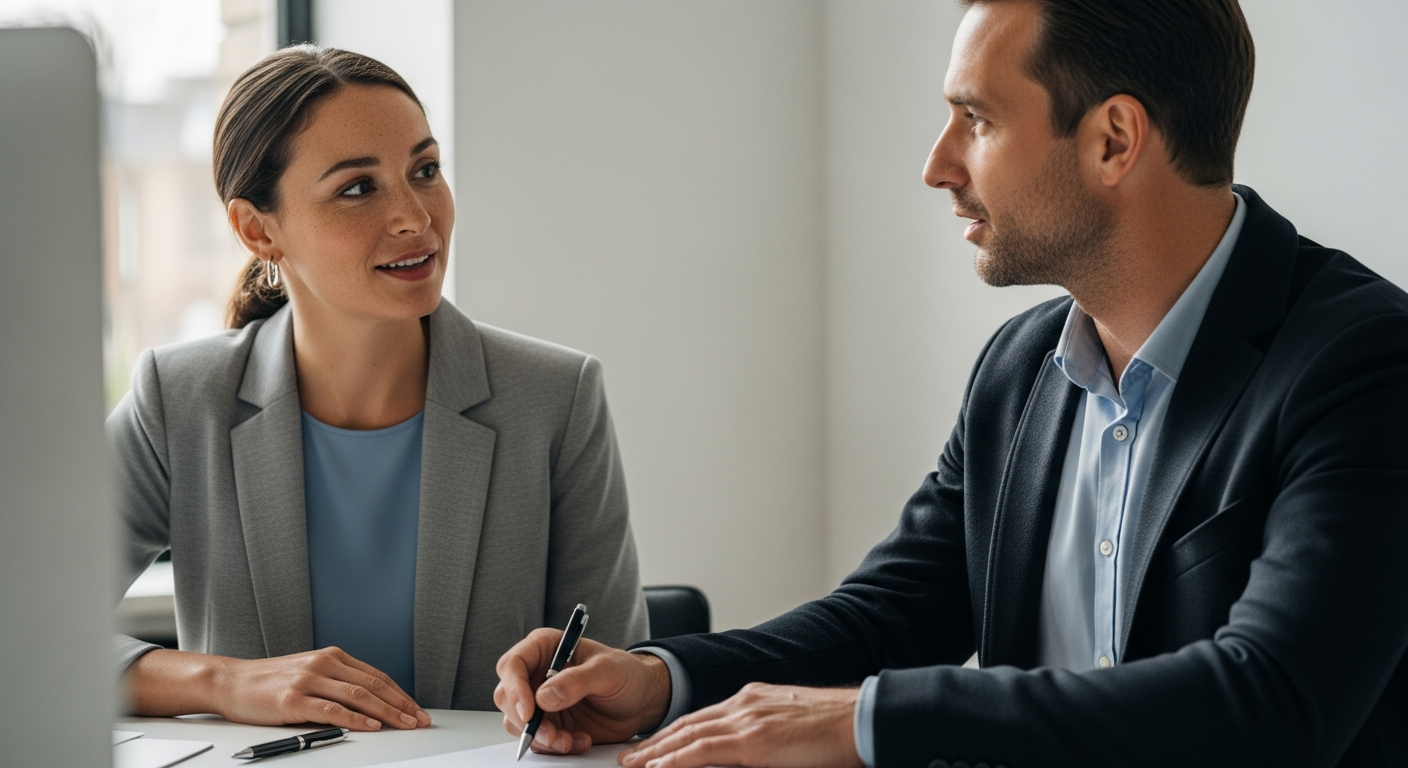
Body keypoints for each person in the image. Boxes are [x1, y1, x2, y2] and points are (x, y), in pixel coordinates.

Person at [493, 1, 1408, 765]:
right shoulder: (1020, 369)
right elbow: (890, 616)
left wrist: (868, 721)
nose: (938, 165)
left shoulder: (1364, 362)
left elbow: (1276, 700)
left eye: (977, 119)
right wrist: (659, 679)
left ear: (1113, 140)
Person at [111, 46, 649, 732]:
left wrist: (579, 705)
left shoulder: (554, 398)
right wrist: (222, 681)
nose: (415, 217)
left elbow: (617, 679)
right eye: (358, 188)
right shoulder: (179, 402)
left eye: (425, 170)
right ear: (257, 228)